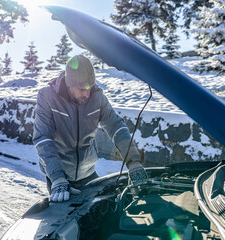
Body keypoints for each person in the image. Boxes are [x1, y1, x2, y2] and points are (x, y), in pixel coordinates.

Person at [33, 54, 147, 202]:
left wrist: (133, 161)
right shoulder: (47, 96)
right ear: (69, 84)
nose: (87, 93)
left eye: (89, 87)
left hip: (88, 173)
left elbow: (116, 126)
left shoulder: (97, 97)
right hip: (61, 177)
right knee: (69, 221)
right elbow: (43, 138)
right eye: (81, 89)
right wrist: (57, 177)